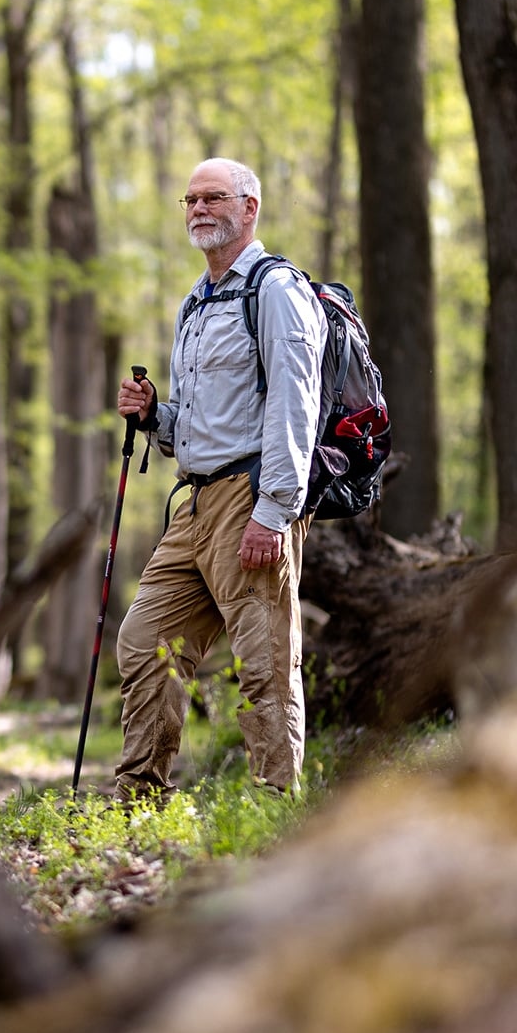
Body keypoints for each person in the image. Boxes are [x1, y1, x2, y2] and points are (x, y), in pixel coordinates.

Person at [113, 157, 325, 798]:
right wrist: (156, 415)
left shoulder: (276, 290)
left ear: (249, 208)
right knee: (145, 641)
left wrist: (274, 510)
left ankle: (273, 809)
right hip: (196, 502)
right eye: (190, 199)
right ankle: (137, 796)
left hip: (250, 496)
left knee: (263, 663)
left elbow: (297, 405)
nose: (199, 209)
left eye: (214, 197)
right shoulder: (196, 304)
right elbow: (196, 424)